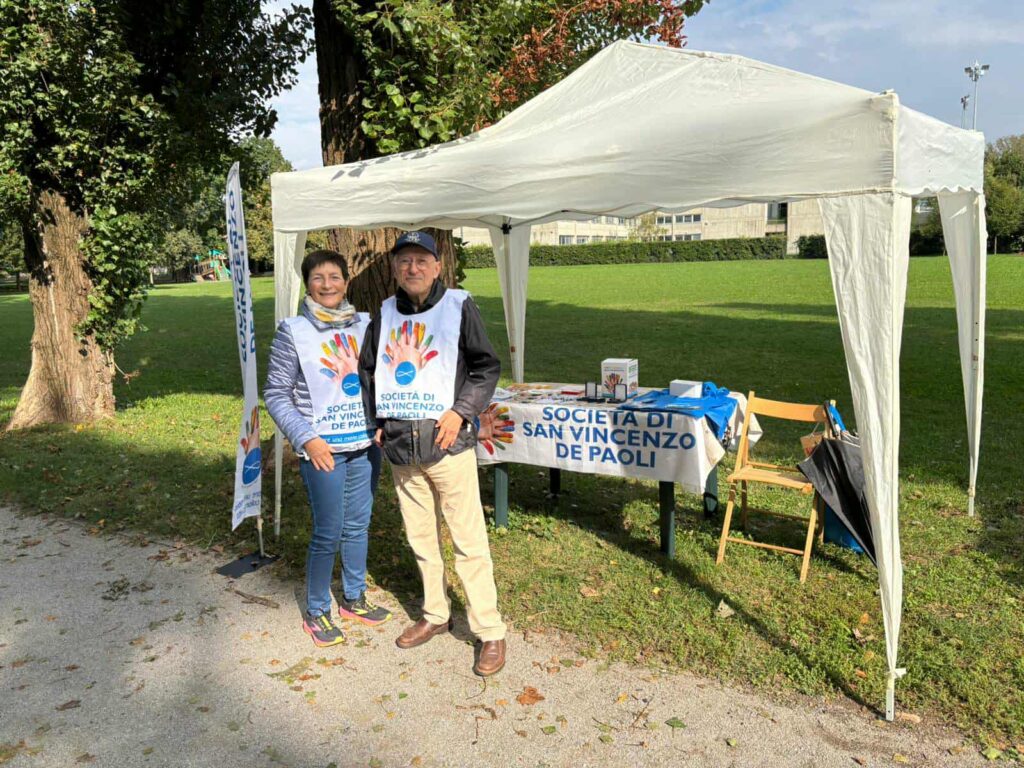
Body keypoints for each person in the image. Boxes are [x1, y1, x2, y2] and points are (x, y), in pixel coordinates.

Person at [358, 231, 507, 676]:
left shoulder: (459, 306)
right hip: (403, 446)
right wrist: (376, 424)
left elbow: (485, 366)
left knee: (468, 542)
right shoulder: (383, 313)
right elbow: (369, 371)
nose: (413, 268)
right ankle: (436, 615)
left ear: (439, 266)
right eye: (404, 261)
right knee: (421, 538)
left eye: (422, 260)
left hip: (447, 446)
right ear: (395, 269)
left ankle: (490, 630)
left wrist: (462, 412)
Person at [265, 249, 391, 647]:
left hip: (365, 444)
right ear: (307, 284)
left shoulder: (367, 325)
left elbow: (383, 378)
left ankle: (353, 597)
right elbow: (276, 393)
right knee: (328, 531)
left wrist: (384, 420)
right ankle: (317, 609)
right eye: (318, 278)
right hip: (324, 450)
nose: (327, 285)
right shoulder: (293, 331)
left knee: (358, 526)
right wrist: (306, 438)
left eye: (335, 277)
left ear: (346, 282)